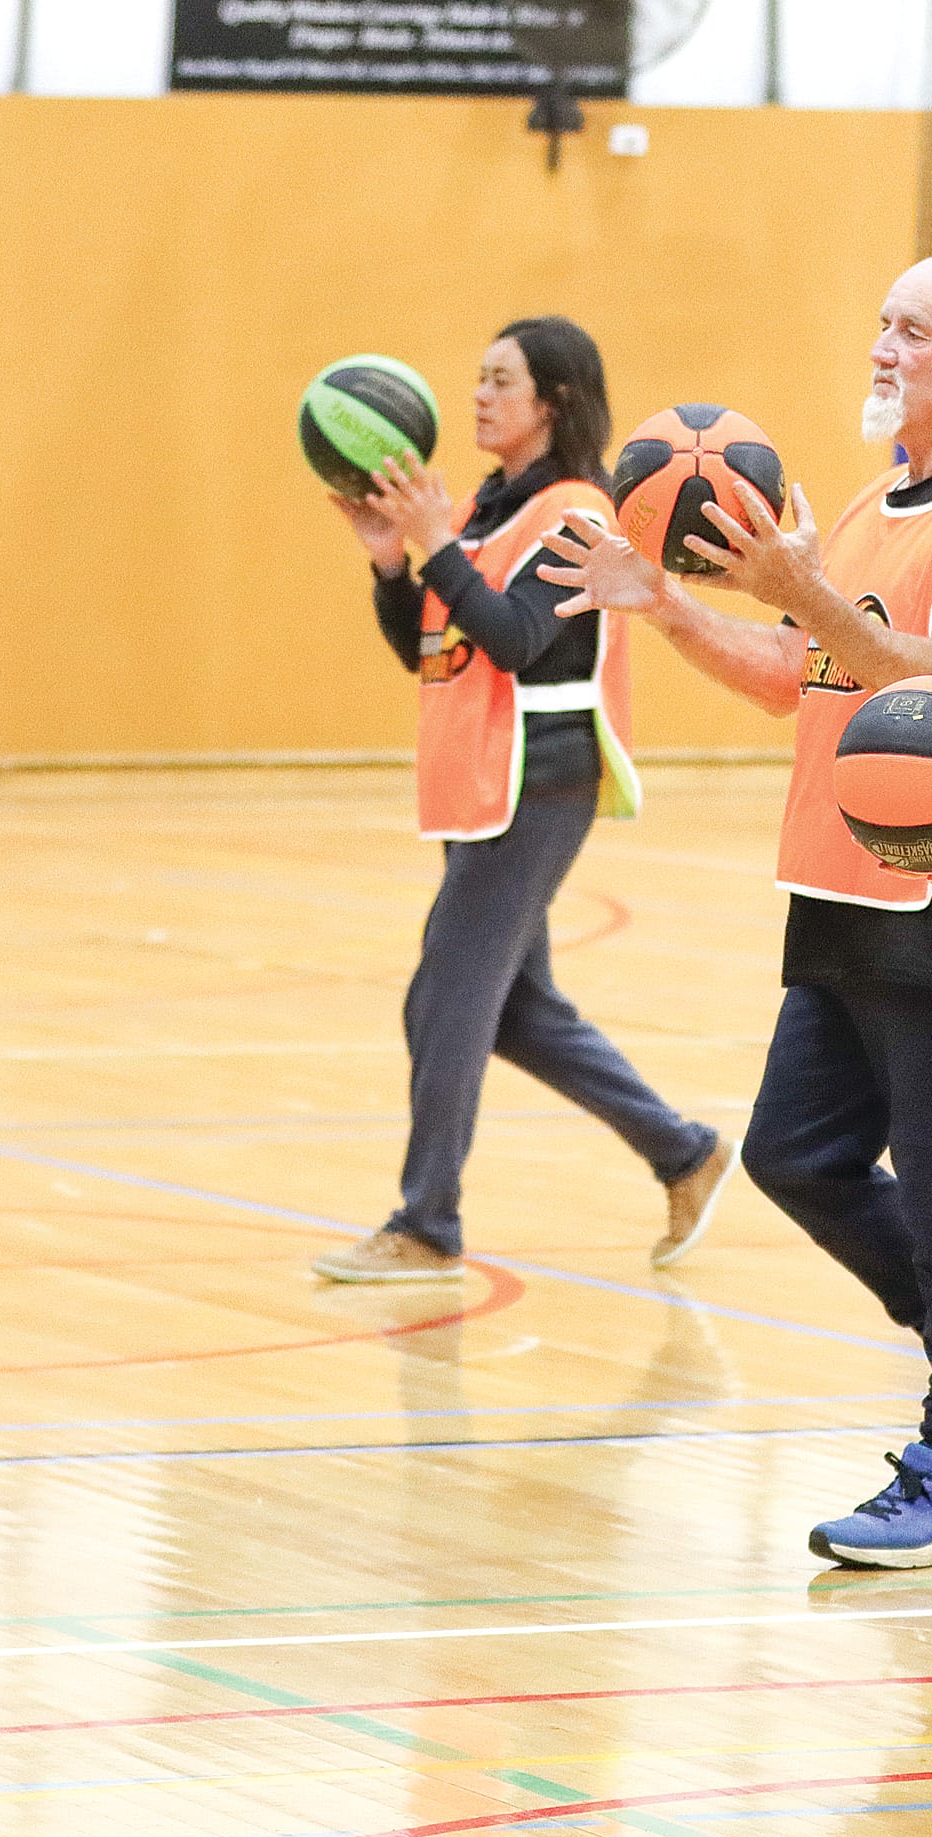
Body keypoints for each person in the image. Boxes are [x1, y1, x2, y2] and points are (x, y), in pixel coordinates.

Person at [541, 256, 932, 1568]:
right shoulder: (860, 508)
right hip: (843, 884)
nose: (885, 345)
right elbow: (803, 674)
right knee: (795, 1153)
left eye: (914, 329)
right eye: (882, 320)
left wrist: (799, 587)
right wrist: (666, 602)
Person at [312, 316, 735, 1285]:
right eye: (477, 376)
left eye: (500, 380)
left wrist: (434, 545)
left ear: (553, 400)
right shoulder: (482, 507)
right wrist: (394, 561)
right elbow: (433, 646)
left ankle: (427, 1225)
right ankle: (684, 1153)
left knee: (443, 1001)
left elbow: (513, 637)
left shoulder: (581, 513)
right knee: (515, 1012)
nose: (477, 395)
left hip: (537, 782)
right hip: (479, 782)